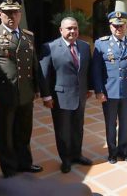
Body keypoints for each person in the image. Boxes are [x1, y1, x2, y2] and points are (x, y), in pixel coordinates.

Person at [0, 0, 43, 178]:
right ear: (0, 14)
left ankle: (25, 163)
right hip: (2, 95)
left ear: (20, 14)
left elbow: (33, 64)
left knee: (23, 131)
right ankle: (10, 169)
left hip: (25, 93)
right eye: (7, 13)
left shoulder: (28, 36)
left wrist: (37, 88)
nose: (11, 16)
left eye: (15, 12)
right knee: (4, 134)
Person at [39, 17, 93, 174]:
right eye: (69, 28)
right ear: (61, 30)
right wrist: (46, 96)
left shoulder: (84, 46)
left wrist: (89, 87)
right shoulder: (50, 47)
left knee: (78, 128)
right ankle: (66, 159)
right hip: (60, 97)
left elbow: (87, 69)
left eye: (75, 28)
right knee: (63, 130)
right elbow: (44, 73)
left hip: (80, 96)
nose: (73, 31)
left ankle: (77, 155)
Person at [93, 11, 127, 164]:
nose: (118, 28)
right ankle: (112, 152)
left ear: (125, 26)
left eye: (121, 26)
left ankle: (124, 150)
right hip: (109, 92)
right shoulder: (101, 44)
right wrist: (99, 91)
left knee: (124, 122)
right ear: (110, 26)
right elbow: (96, 70)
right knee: (110, 123)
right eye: (115, 26)